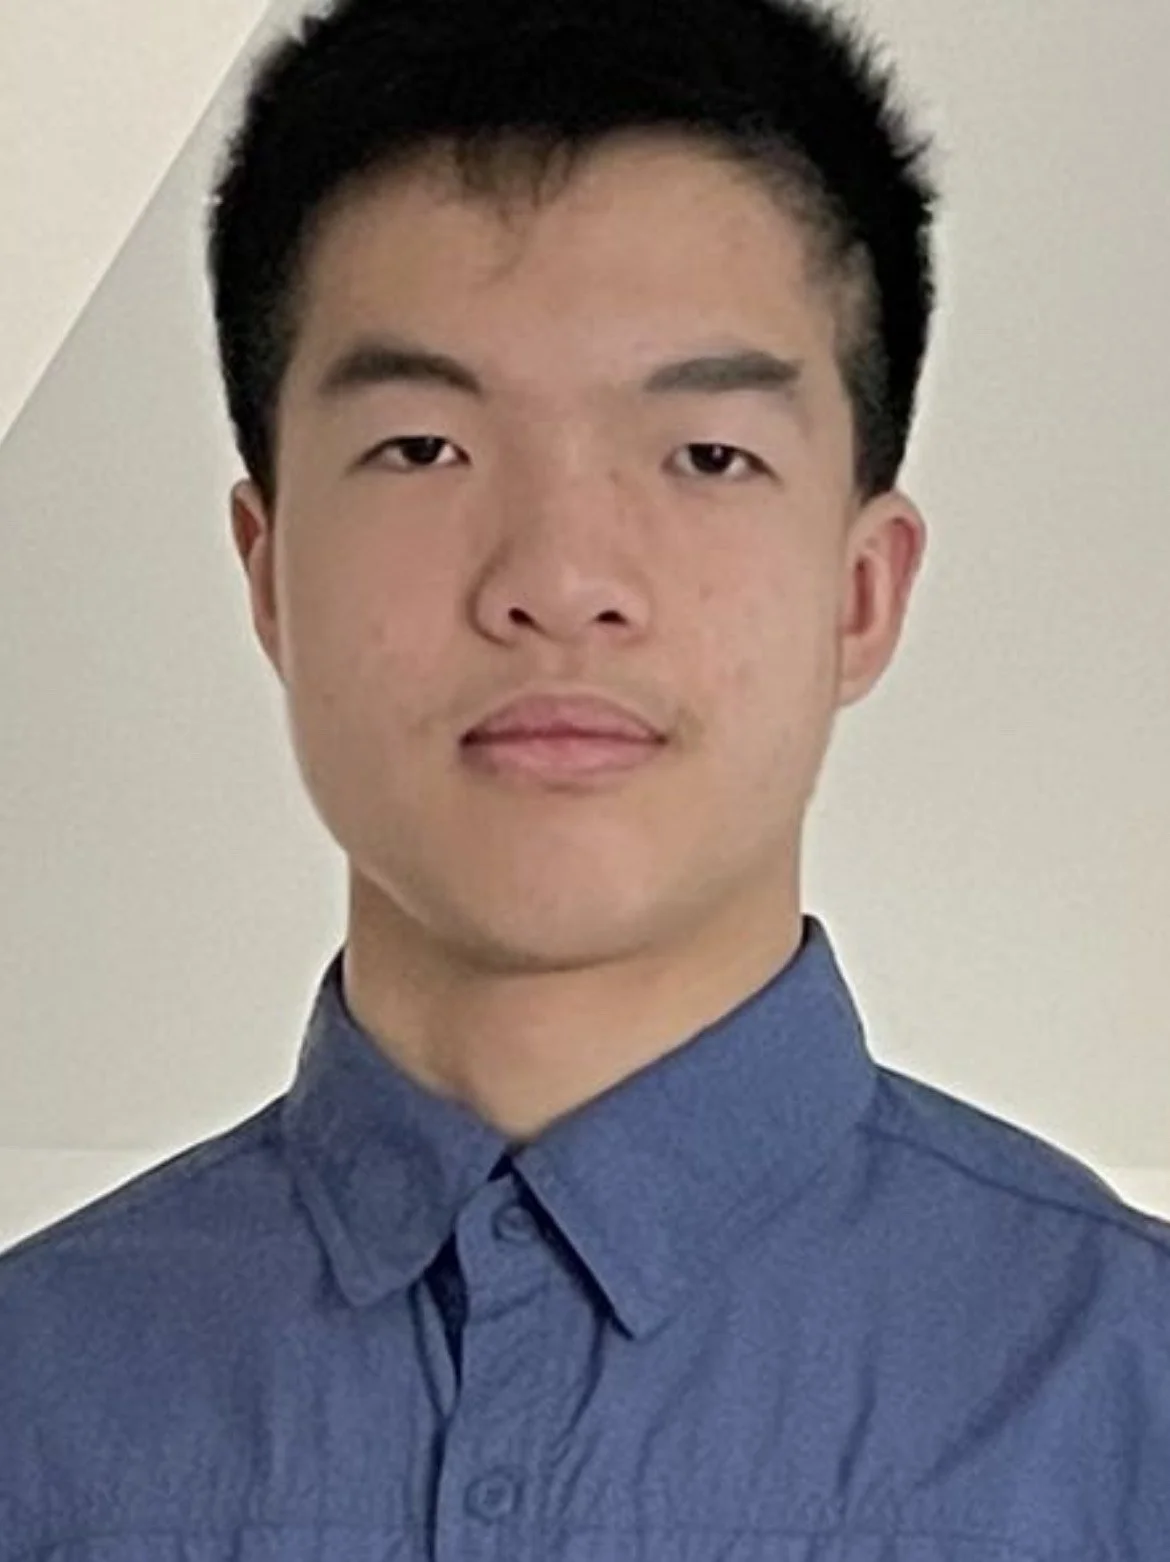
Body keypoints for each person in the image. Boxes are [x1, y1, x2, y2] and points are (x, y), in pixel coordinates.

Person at [2, 0, 1167, 1554]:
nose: (557, 578)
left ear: (859, 593)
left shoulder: (1124, 1406)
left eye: (702, 455)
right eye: (422, 447)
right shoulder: (36, 1399)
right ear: (268, 573)